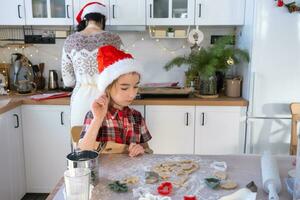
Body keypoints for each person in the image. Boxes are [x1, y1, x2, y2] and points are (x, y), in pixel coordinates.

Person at [78, 45, 152, 157]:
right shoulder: (95, 115)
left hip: (132, 173)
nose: (132, 94)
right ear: (107, 87)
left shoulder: (137, 117)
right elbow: (82, 153)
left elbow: (147, 151)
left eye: (135, 87)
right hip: (103, 173)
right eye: (124, 88)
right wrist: (98, 119)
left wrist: (141, 150)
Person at [61, 1, 123, 126]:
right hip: (106, 99)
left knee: (81, 140)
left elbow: (68, 81)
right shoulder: (114, 39)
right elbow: (122, 72)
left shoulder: (71, 40)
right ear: (102, 19)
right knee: (108, 142)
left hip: (80, 99)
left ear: (86, 20)